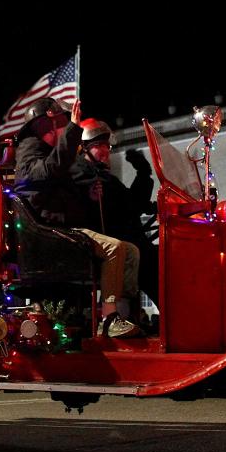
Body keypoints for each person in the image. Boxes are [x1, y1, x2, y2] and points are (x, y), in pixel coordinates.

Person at [13, 98, 141, 338]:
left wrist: (89, 195)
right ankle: (109, 318)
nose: (58, 130)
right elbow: (50, 170)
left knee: (131, 251)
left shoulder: (48, 155)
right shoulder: (30, 155)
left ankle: (122, 313)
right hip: (50, 234)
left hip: (62, 230)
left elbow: (57, 184)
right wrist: (72, 130)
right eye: (55, 125)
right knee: (113, 248)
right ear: (42, 127)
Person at [70, 118, 159, 318]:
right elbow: (128, 206)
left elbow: (130, 203)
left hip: (123, 235)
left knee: (155, 256)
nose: (105, 151)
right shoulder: (80, 172)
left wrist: (144, 175)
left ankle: (161, 319)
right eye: (98, 146)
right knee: (149, 261)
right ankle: (126, 316)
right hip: (101, 239)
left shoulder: (103, 174)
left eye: (107, 146)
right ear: (84, 148)